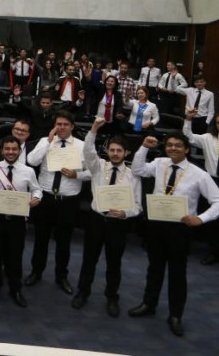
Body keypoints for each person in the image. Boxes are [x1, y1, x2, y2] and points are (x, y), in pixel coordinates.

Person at [129, 133, 219, 337]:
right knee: (154, 268)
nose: (173, 148)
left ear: (187, 149)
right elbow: (137, 169)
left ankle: (176, 315)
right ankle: (148, 304)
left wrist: (202, 219)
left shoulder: (199, 174)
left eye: (178, 145)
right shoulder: (160, 163)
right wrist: (143, 147)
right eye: (169, 145)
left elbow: (218, 201)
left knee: (177, 274)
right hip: (157, 225)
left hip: (180, 229)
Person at [71, 118, 142, 317]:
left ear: (127, 153)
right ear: (107, 151)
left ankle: (112, 297)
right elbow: (87, 151)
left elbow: (138, 205)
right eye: (112, 150)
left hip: (117, 224)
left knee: (114, 264)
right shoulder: (98, 167)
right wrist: (93, 129)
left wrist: (126, 213)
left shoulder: (132, 175)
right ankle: (83, 292)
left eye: (119, 150)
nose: (115, 153)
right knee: (88, 260)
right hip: (96, 221)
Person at [25, 111, 85, 294]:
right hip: (46, 198)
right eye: (58, 124)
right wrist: (47, 142)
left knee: (64, 242)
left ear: (72, 126)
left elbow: (94, 171)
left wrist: (78, 175)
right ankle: (36, 271)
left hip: (68, 200)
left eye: (65, 124)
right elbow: (31, 160)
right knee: (41, 239)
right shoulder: (46, 142)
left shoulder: (82, 146)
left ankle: (61, 276)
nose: (62, 127)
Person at [0, 135, 42, 307]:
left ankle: (15, 289)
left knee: (15, 255)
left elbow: (37, 190)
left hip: (17, 221)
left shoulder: (28, 171)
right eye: (7, 149)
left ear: (19, 150)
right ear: (2, 150)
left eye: (14, 149)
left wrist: (36, 198)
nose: (10, 152)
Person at [182, 110, 219, 265]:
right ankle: (214, 251)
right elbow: (188, 137)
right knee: (211, 219)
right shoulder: (207, 138)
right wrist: (188, 119)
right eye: (218, 122)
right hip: (212, 181)